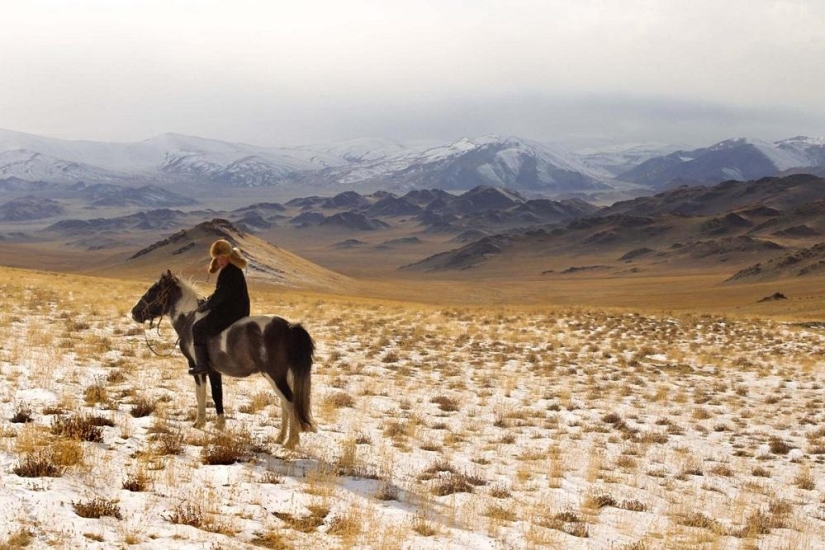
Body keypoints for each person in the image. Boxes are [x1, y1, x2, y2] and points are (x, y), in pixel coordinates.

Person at [190, 239, 251, 375]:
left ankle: (202, 364)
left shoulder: (230, 271)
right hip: (235, 309)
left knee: (198, 328)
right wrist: (208, 300)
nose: (220, 261)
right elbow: (220, 292)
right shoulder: (231, 269)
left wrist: (207, 306)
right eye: (217, 259)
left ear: (229, 256)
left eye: (223, 257)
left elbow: (221, 294)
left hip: (231, 312)